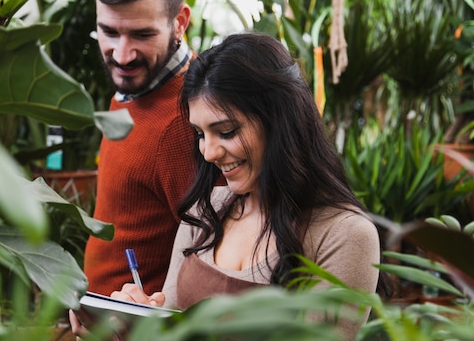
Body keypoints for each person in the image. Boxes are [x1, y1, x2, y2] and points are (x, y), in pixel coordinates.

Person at [75, 32, 385, 339]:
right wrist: (133, 325)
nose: (209, 152)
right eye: (200, 134)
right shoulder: (205, 210)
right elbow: (169, 324)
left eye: (225, 131)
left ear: (279, 120)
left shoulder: (343, 235)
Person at [83, 0, 196, 297]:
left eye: (141, 35)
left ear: (179, 22)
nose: (122, 54)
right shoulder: (135, 85)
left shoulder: (189, 120)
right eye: (109, 31)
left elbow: (214, 255)